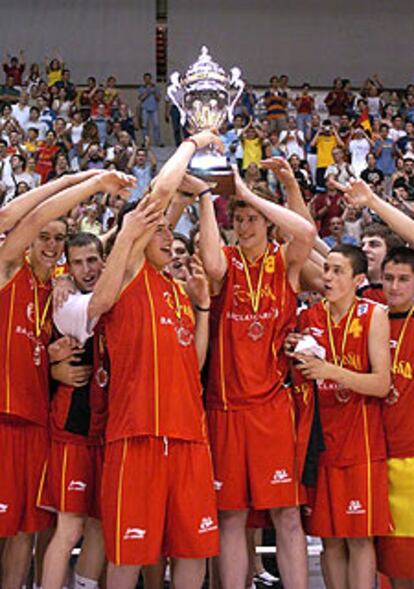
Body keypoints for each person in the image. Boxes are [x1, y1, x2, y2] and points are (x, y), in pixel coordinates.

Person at [101, 130, 223, 589]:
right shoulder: (129, 272)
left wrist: (203, 308)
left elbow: (193, 366)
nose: (170, 233)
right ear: (136, 235)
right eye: (160, 227)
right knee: (128, 558)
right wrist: (193, 142)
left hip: (189, 436)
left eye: (173, 229)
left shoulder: (176, 290)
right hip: (138, 435)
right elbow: (162, 194)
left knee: (195, 552)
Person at [0, 168, 133, 589]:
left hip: (38, 423)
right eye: (46, 237)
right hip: (2, 416)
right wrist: (87, 182)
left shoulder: (59, 296)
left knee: (27, 531)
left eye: (60, 238)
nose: (52, 245)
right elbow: (25, 219)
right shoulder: (8, 272)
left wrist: (52, 366)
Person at [197, 157, 316, 589]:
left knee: (285, 514)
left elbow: (305, 231)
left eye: (252, 218)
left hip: (271, 409)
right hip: (225, 408)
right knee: (231, 515)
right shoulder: (226, 262)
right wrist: (208, 198)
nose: (244, 225)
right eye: (240, 218)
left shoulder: (284, 263)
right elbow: (209, 265)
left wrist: (253, 193)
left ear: (266, 221)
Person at [39, 197, 160, 589]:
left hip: (108, 428)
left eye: (93, 261)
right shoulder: (69, 305)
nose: (87, 269)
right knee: (70, 526)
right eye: (77, 264)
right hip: (74, 429)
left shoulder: (110, 287)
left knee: (100, 524)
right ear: (67, 268)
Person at [289, 244, 391, 589]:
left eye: (337, 271)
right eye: (326, 269)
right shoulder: (309, 317)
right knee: (329, 540)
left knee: (360, 539)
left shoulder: (374, 314)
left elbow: (381, 383)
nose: (327, 277)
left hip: (361, 446)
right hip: (320, 445)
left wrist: (329, 371)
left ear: (358, 279)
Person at [377, 247, 414, 586]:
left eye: (404, 279)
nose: (395, 286)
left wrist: (373, 203)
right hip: (376, 456)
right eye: (388, 278)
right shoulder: (371, 319)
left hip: (411, 458)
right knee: (393, 566)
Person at [137, 73, 161, 146]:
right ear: (144, 79)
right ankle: (145, 142)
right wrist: (147, 92)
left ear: (151, 79)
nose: (147, 80)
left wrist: (154, 93)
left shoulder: (155, 87)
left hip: (154, 108)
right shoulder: (141, 88)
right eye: (146, 78)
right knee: (145, 126)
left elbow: (158, 98)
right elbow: (140, 98)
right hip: (145, 108)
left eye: (148, 78)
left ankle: (157, 142)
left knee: (156, 125)